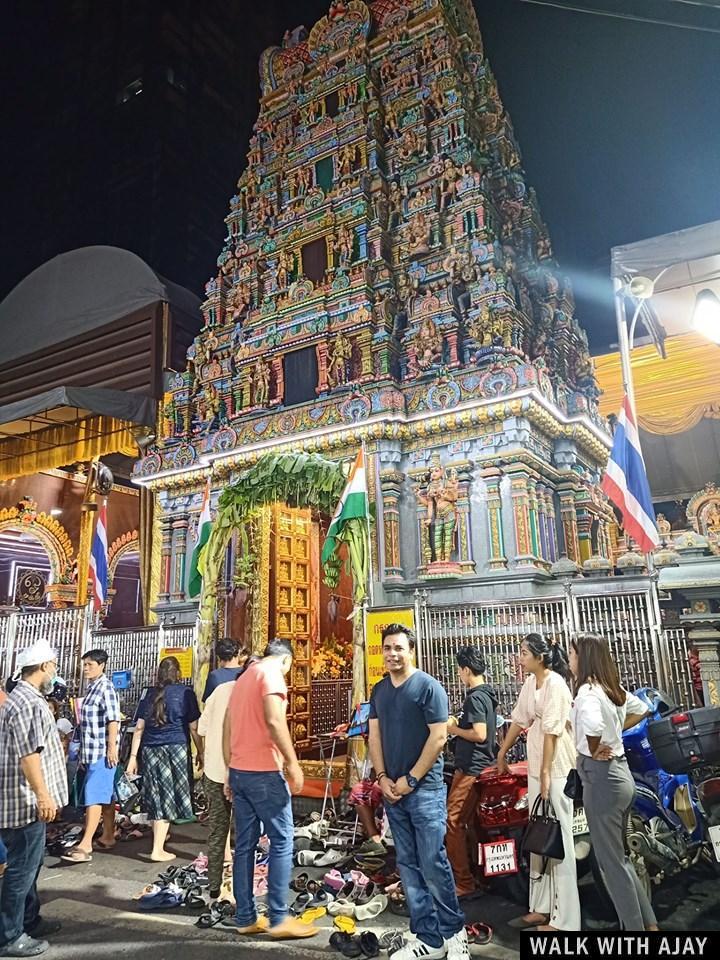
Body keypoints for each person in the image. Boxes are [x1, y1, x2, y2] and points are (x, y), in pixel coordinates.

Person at [368, 624, 467, 960]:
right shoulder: (379, 691)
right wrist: (382, 777)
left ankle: (454, 935)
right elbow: (374, 737)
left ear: (412, 650)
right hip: (392, 793)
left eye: (399, 648)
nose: (392, 654)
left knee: (433, 863)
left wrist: (410, 779)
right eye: (387, 648)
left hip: (424, 791)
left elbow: (439, 738)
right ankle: (429, 938)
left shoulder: (429, 688)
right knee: (408, 866)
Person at [223, 638, 318, 940]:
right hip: (263, 772)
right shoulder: (272, 673)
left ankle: (245, 916)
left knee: (245, 845)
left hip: (240, 771)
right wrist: (293, 763)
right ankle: (278, 917)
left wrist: (230, 769)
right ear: (287, 660)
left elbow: (228, 727)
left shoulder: (244, 677)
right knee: (282, 839)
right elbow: (276, 721)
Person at [569, 634, 657, 932]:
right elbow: (643, 708)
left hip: (602, 778)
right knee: (621, 860)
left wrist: (595, 745)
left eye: (572, 653)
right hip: (621, 777)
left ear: (583, 658)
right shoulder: (611, 689)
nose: (569, 659)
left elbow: (592, 725)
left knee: (611, 865)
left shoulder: (588, 693)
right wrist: (614, 731)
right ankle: (649, 925)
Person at [497, 634, 579, 931]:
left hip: (556, 766)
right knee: (539, 831)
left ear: (540, 657)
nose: (519, 658)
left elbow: (554, 732)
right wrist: (502, 751)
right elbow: (520, 719)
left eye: (523, 653)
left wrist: (545, 773)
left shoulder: (556, 684)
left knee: (559, 837)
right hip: (537, 765)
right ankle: (540, 907)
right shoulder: (531, 683)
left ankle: (566, 920)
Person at [0, 640, 68, 958]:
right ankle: (10, 935)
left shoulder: (26, 698)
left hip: (25, 799)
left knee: (30, 864)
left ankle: (28, 920)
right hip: (24, 801)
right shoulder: (27, 702)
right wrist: (43, 796)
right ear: (43, 667)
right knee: (21, 869)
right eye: (53, 665)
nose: (55, 671)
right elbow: (29, 756)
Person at [126, 656, 203, 862]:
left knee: (157, 794)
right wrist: (201, 752)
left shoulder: (149, 694)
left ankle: (162, 835)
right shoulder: (185, 693)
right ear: (178, 673)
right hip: (176, 748)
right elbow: (193, 727)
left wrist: (133, 757)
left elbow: (139, 728)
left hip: (150, 750)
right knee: (168, 797)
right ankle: (157, 849)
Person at [446, 645, 498, 899]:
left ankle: (464, 882)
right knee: (471, 823)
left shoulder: (475, 697)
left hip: (472, 768)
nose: (458, 674)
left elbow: (479, 734)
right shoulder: (487, 694)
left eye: (459, 670)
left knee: (453, 822)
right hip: (480, 766)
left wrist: (452, 728)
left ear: (466, 669)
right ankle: (480, 877)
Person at [62, 650, 121, 864]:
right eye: (85, 665)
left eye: (90, 664)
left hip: (102, 751)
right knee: (104, 795)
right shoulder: (91, 688)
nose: (86, 668)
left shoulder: (106, 688)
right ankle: (107, 835)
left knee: (93, 796)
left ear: (102, 665)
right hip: (90, 750)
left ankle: (86, 844)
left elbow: (113, 719)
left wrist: (112, 747)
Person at [198, 674, 235, 899]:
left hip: (214, 771)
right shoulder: (255, 693)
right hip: (241, 774)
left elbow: (202, 729)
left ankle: (214, 886)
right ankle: (241, 887)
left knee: (217, 831)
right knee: (245, 835)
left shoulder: (219, 690)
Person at [202, 638, 248, 703]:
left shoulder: (214, 676)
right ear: (238, 653)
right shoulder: (247, 673)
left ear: (218, 657)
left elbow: (207, 702)